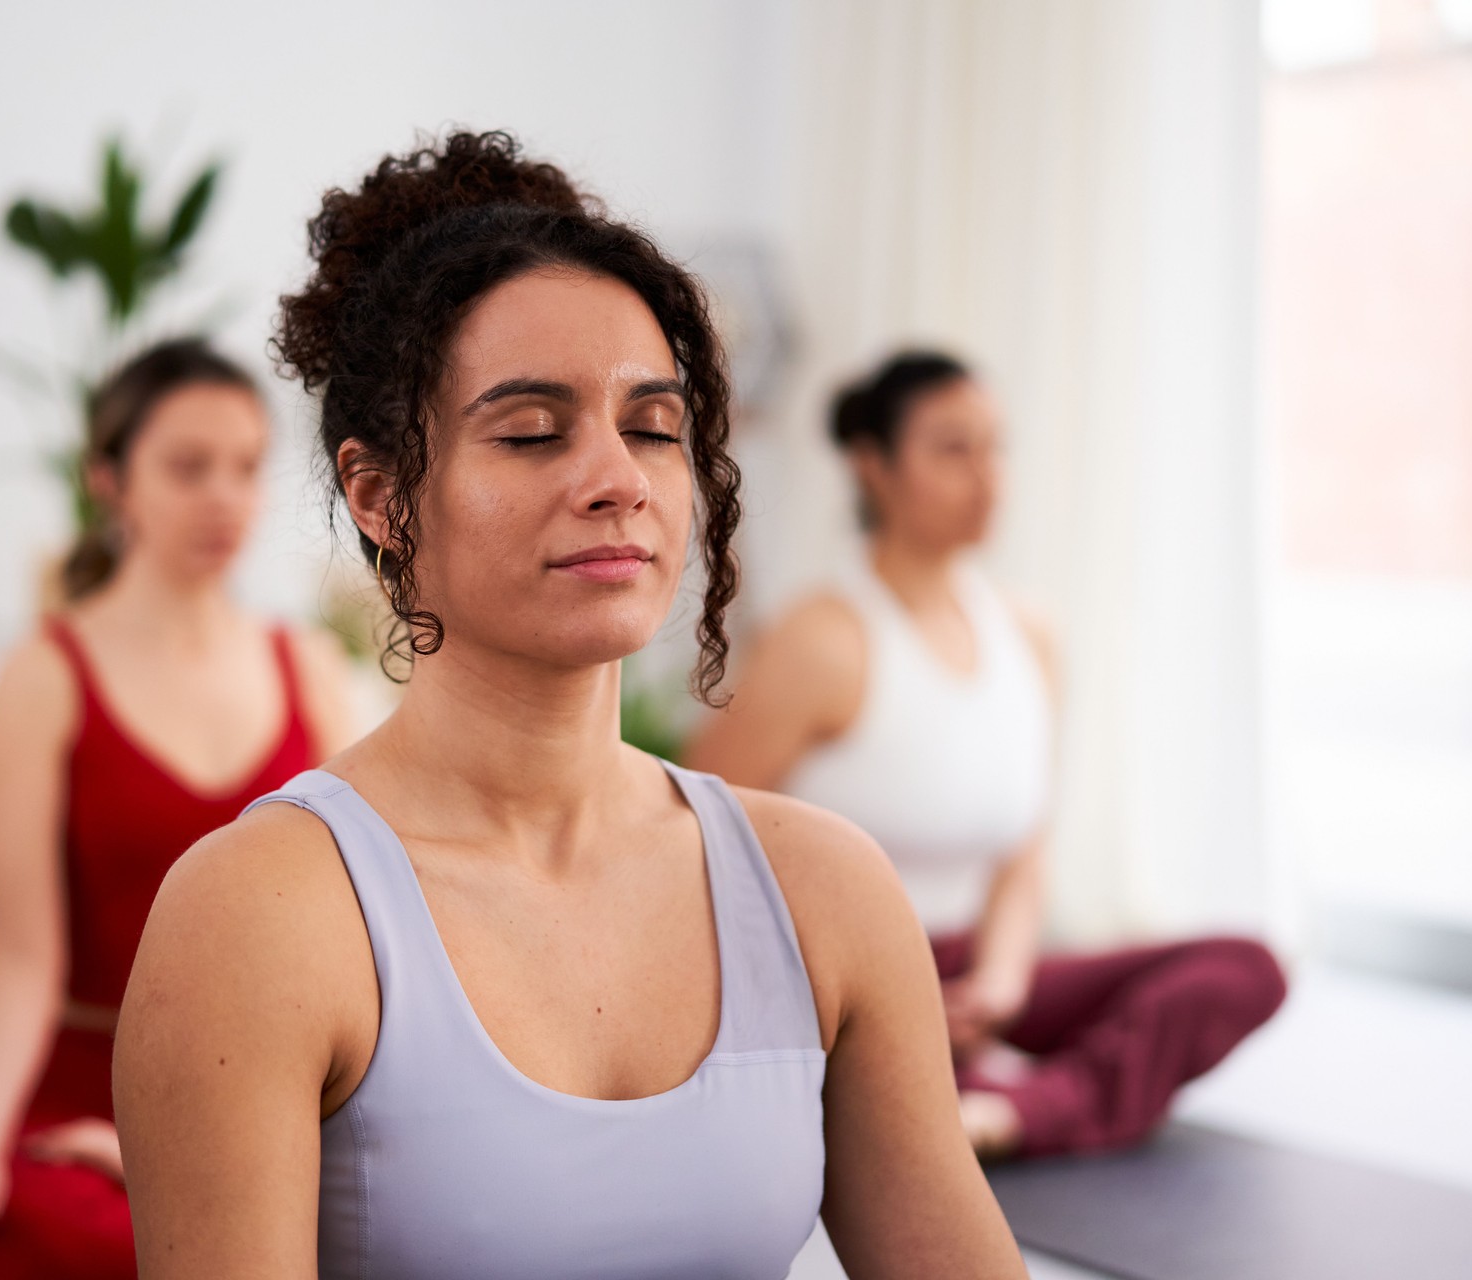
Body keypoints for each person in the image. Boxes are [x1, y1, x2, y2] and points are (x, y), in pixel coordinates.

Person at [112, 133, 1025, 1280]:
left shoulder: (825, 887)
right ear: (384, 495)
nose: (619, 478)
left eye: (652, 425)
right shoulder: (262, 912)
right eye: (532, 432)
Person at [686, 349, 1287, 1160]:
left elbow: (1023, 854)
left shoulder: (1031, 635)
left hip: (979, 967)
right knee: (862, 1058)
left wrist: (1001, 985)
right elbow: (696, 836)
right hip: (845, 978)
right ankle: (1002, 1096)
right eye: (953, 449)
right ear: (874, 467)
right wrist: (871, 996)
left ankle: (1006, 1110)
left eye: (996, 447)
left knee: (1245, 968)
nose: (989, 476)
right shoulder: (821, 640)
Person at [0, 338, 354, 1278]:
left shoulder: (306, 666)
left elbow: (352, 931)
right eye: (189, 468)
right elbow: (25, 952)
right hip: (84, 1092)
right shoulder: (43, 677)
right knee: (78, 1238)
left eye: (244, 468)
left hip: (267, 1090)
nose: (224, 497)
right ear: (110, 479)